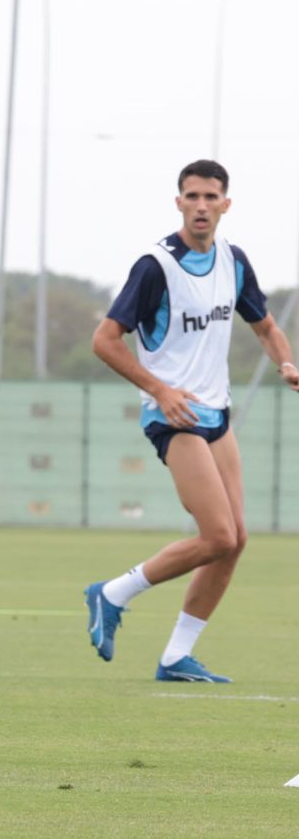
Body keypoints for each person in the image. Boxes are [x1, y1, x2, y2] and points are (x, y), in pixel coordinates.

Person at [82, 161, 298, 682]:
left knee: (236, 539)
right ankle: (112, 593)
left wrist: (286, 361)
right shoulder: (156, 266)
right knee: (219, 535)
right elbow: (104, 341)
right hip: (172, 416)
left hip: (215, 415)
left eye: (211, 196)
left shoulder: (233, 260)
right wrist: (158, 388)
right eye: (192, 196)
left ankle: (177, 655)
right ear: (178, 202)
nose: (202, 205)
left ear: (226, 204)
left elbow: (265, 326)